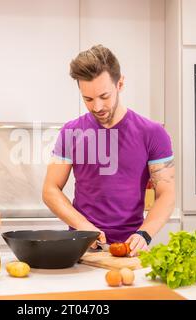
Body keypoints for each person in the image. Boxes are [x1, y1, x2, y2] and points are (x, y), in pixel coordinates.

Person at [42, 45, 175, 256]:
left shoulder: (153, 133)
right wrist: (82, 226)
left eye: (104, 96)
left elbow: (166, 193)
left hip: (131, 249)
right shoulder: (71, 132)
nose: (97, 107)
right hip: (83, 247)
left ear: (120, 83)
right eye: (88, 99)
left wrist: (145, 234)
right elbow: (50, 189)